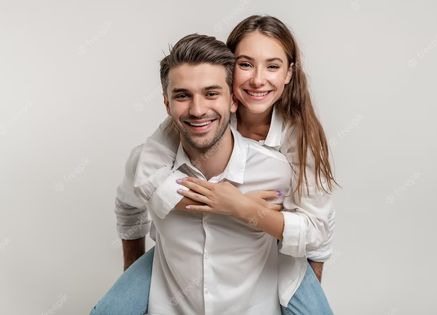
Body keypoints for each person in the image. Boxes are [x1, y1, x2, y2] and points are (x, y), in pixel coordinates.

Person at [92, 15, 336, 315]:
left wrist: (245, 209)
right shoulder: (200, 117)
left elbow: (318, 234)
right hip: (184, 261)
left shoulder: (298, 140)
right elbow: (145, 173)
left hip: (272, 252)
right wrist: (218, 200)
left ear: (289, 73)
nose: (258, 79)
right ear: (232, 74)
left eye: (272, 66)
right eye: (246, 64)